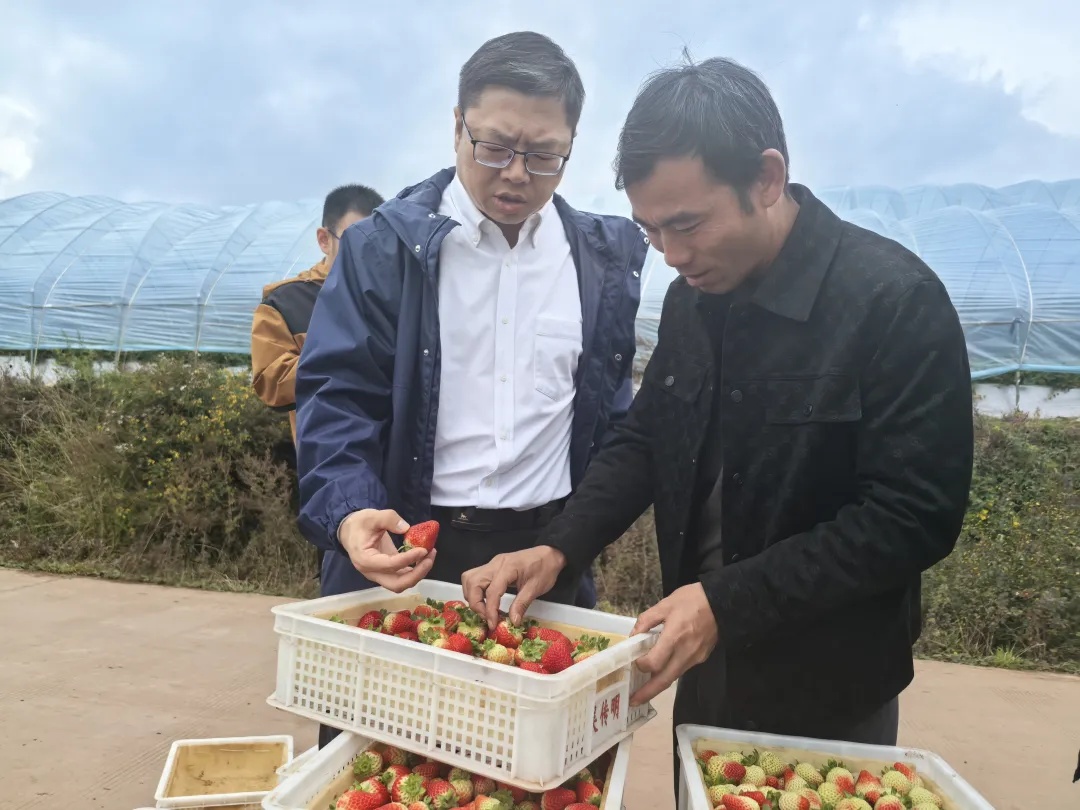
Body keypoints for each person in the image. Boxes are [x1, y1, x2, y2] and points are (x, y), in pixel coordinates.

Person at [460, 54, 975, 798]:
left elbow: (912, 516)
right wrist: (560, 544)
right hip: (705, 658)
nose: (672, 256)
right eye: (651, 231)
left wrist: (727, 603)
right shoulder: (693, 300)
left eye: (688, 225)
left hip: (830, 684)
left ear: (766, 178)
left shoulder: (892, 302)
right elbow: (646, 440)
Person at [293, 32, 648, 745]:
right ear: (457, 124)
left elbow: (612, 419)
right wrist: (350, 511)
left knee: (537, 766)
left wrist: (573, 542)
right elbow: (337, 396)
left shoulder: (602, 261)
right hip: (409, 547)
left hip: (541, 564)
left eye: (544, 155)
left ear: (572, 146)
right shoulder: (384, 249)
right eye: (495, 146)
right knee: (383, 762)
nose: (516, 174)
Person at [251, 183, 385, 444]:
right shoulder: (286, 302)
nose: (364, 254)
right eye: (354, 241)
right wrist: (346, 356)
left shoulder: (392, 296)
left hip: (395, 453)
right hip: (329, 455)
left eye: (375, 243)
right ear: (324, 240)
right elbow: (271, 383)